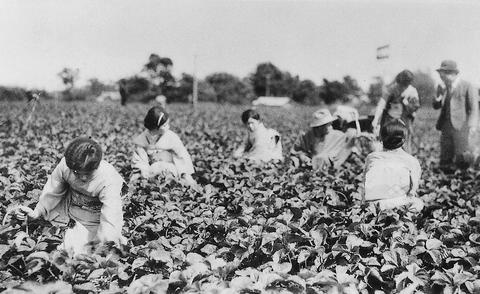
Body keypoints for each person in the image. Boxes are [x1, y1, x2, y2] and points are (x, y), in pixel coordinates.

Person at [8, 137, 125, 253]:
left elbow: (110, 219)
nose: (83, 178)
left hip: (94, 220)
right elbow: (52, 192)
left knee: (87, 251)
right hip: (68, 210)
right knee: (49, 239)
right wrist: (37, 212)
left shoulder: (108, 178)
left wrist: (100, 247)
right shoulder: (65, 166)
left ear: (97, 166)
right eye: (77, 173)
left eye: (88, 173)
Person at [362, 120, 423, 212]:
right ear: (403, 140)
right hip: (399, 204)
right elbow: (413, 190)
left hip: (373, 206)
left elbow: (365, 182)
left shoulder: (372, 157)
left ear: (381, 138)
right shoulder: (411, 161)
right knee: (418, 203)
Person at [291, 108, 375, 170]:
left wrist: (362, 136)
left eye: (330, 124)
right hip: (311, 166)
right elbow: (297, 151)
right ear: (318, 127)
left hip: (329, 167)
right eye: (327, 125)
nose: (330, 127)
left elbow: (348, 144)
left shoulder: (337, 135)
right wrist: (303, 157)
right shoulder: (306, 136)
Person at [433, 60, 479, 171]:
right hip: (446, 125)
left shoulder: (467, 86)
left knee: (462, 155)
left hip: (461, 126)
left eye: (443, 75)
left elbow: (473, 108)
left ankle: (465, 173)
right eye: (441, 75)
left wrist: (472, 125)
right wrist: (438, 96)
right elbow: (436, 106)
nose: (441, 78)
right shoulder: (444, 87)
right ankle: (447, 177)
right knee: (446, 154)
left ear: (452, 74)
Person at [132, 106, 196, 186]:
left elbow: (182, 156)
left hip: (172, 170)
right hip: (151, 172)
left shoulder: (171, 137)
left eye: (168, 124)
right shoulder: (142, 139)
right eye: (164, 125)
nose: (168, 127)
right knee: (138, 180)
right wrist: (144, 176)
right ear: (155, 128)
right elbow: (140, 161)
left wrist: (185, 174)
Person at [371, 70, 420, 153]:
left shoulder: (412, 91)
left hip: (405, 120)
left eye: (405, 86)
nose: (402, 88)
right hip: (391, 119)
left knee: (405, 143)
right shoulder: (392, 89)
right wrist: (375, 119)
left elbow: (415, 107)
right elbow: (381, 104)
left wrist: (407, 104)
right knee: (388, 143)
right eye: (400, 85)